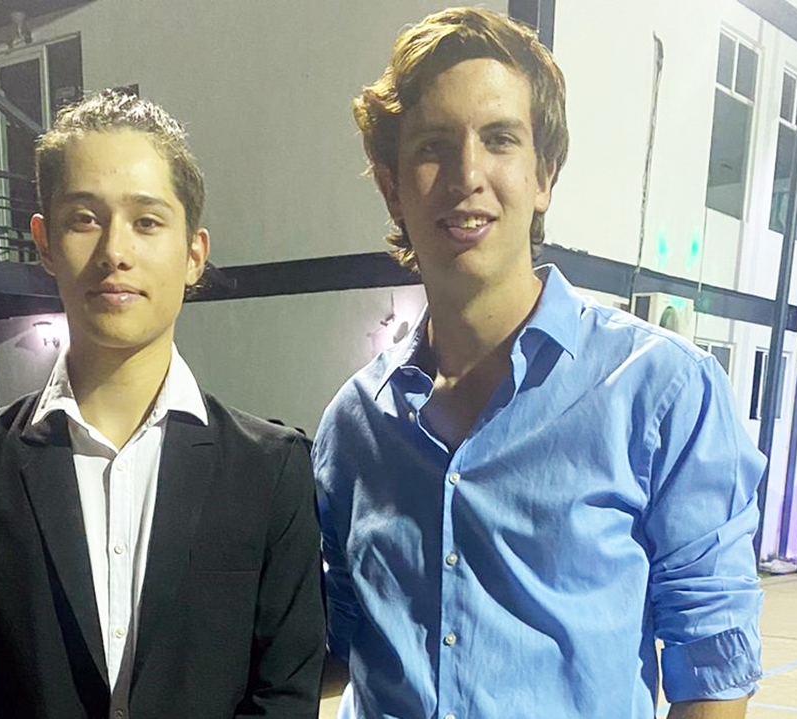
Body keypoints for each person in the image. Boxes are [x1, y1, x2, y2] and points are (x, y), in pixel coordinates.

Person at [313, 8, 765, 718]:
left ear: (543, 176)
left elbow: (711, 667)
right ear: (392, 187)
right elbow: (337, 643)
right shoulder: (354, 425)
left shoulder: (662, 389)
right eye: (434, 146)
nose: (468, 174)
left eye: (499, 140)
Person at [0, 88, 326, 719]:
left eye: (147, 221)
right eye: (85, 218)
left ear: (194, 254)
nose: (115, 250)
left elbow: (285, 694)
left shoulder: (271, 467)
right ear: (44, 242)